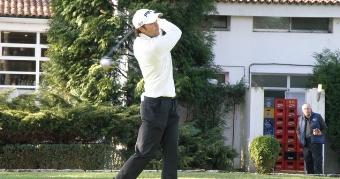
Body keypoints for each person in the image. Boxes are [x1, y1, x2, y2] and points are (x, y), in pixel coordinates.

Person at [114, 9, 182, 179]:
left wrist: (154, 21)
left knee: (171, 151)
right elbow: (176, 32)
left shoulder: (153, 38)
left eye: (155, 21)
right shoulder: (152, 46)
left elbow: (164, 34)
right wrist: (161, 20)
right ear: (141, 29)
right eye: (151, 23)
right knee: (144, 152)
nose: (156, 24)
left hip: (169, 103)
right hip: (155, 106)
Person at [296, 103, 327, 174]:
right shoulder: (300, 119)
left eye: (308, 108)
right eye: (305, 109)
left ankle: (318, 175)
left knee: (317, 160)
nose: (307, 110)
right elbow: (298, 130)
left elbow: (324, 128)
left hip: (316, 142)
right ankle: (310, 175)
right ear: (302, 110)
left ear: (311, 109)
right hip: (305, 143)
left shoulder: (317, 116)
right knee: (308, 160)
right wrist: (301, 138)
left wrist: (320, 133)